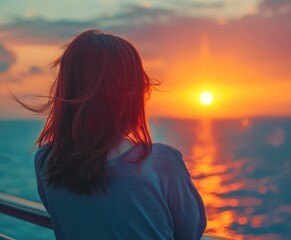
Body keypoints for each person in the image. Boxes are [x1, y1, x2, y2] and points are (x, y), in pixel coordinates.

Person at [15, 29, 206, 239]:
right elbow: (190, 232)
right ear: (132, 94)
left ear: (67, 88)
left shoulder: (45, 161)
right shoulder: (160, 163)